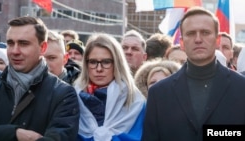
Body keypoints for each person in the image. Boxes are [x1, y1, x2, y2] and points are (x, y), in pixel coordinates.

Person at [142, 7, 245, 141]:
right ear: (182, 43)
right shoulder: (159, 93)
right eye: (191, 33)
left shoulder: (241, 88)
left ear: (217, 41)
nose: (198, 39)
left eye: (205, 32)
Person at [0, 16, 79, 141]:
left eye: (24, 44)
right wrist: (15, 134)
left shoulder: (63, 94)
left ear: (43, 48)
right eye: (11, 43)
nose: (15, 51)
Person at [74, 33, 146, 141]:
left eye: (106, 62)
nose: (99, 69)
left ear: (117, 63)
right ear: (86, 64)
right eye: (93, 62)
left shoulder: (136, 102)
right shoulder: (72, 98)